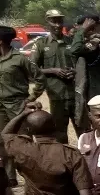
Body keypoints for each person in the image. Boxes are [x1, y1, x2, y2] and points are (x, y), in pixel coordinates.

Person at [0, 25, 43, 186]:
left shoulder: (20, 59)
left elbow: (39, 78)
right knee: (0, 141)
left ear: (0, 41)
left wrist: (30, 98)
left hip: (17, 105)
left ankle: (31, 175)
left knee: (22, 140)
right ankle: (9, 176)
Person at [30, 9, 78, 144]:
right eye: (54, 21)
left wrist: (74, 71)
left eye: (60, 21)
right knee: (59, 133)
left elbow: (81, 65)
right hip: (56, 95)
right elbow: (32, 69)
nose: (57, 25)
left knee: (83, 130)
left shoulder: (71, 41)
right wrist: (53, 71)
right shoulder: (41, 44)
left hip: (75, 94)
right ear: (47, 23)